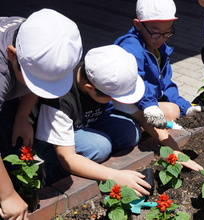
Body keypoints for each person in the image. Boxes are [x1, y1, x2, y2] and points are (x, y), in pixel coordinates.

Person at [33, 45, 152, 197]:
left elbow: (137, 114)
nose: (115, 100)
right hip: (50, 139)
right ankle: (50, 174)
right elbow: (68, 157)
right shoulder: (60, 101)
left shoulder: (102, 78)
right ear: (89, 88)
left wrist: (169, 143)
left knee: (131, 133)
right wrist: (115, 176)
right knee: (98, 147)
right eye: (111, 98)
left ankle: (92, 164)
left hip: (84, 121)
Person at [0, 9, 82, 219]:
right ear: (12, 55)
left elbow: (33, 85)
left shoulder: (44, 40)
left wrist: (21, 117)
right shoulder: (2, 71)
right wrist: (7, 195)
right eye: (31, 79)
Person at [111, 0, 203, 171]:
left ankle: (145, 125)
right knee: (130, 134)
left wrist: (186, 107)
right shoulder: (130, 49)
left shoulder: (160, 49)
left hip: (144, 102)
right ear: (138, 25)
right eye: (155, 33)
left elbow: (166, 84)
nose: (161, 38)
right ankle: (140, 126)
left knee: (174, 109)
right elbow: (136, 84)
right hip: (123, 104)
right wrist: (174, 150)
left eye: (167, 32)